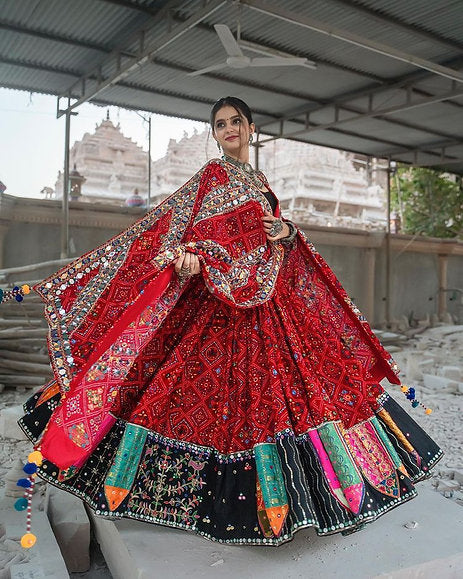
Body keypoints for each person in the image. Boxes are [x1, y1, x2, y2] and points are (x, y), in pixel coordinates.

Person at [19, 96, 442, 546]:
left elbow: (268, 230)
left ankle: (324, 493)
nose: (228, 130)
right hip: (220, 304)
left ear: (251, 127)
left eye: (235, 121)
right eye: (219, 124)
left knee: (297, 391)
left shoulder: (257, 179)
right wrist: (194, 258)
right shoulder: (213, 176)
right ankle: (210, 500)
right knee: (204, 398)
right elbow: (184, 230)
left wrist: (289, 231)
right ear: (215, 133)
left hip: (272, 302)